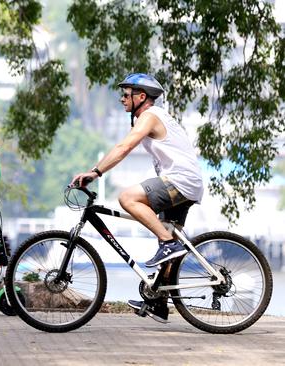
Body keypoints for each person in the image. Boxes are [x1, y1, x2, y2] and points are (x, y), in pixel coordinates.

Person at [71, 73, 203, 323]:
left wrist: (95, 172)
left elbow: (124, 148)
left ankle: (169, 242)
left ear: (141, 97)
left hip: (181, 181)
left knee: (127, 198)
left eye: (126, 94)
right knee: (169, 242)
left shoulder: (149, 116)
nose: (122, 99)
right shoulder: (153, 117)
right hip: (187, 182)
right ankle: (159, 304)